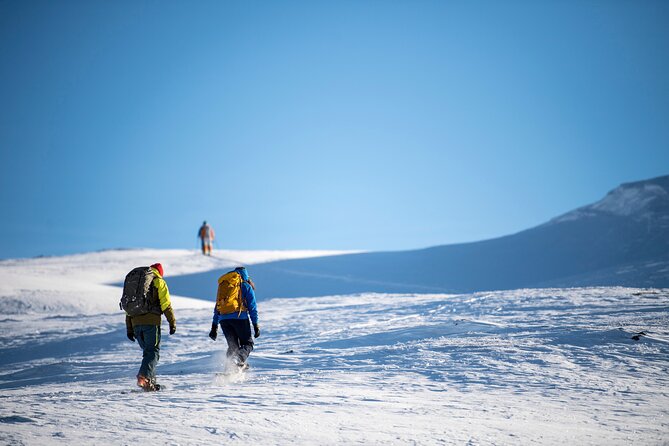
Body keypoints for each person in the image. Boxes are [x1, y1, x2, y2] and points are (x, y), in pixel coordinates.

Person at [125, 263, 176, 391]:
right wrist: (172, 322)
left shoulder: (139, 283)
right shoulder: (158, 281)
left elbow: (128, 310)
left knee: (147, 353)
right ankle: (144, 377)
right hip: (151, 322)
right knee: (153, 352)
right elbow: (166, 304)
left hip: (136, 324)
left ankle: (150, 383)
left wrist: (129, 329)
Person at [209, 266, 260, 369]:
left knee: (233, 347)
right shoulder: (245, 286)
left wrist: (214, 327)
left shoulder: (225, 286)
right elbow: (252, 307)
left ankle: (229, 368)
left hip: (224, 320)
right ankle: (238, 360)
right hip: (239, 318)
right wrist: (255, 325)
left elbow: (218, 307)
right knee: (248, 344)